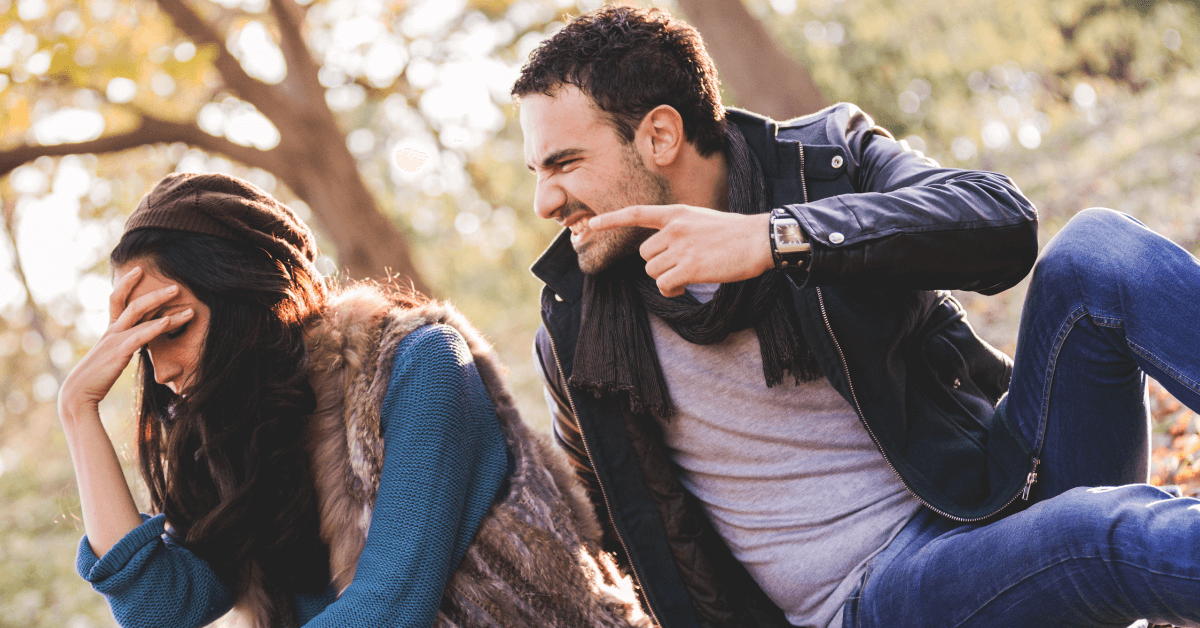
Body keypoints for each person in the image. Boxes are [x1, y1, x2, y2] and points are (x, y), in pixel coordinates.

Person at [513, 5, 1200, 628]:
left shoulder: (824, 163)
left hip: (990, 486)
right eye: (537, 172)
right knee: (1099, 532)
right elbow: (615, 542)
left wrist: (779, 239)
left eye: (565, 164)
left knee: (1099, 252)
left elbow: (1001, 225)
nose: (547, 201)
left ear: (660, 134)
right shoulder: (577, 334)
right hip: (879, 593)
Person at [58, 172, 647, 628]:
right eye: (139, 343)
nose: (160, 372)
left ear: (242, 299)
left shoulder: (420, 363)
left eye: (171, 327)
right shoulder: (239, 436)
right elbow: (159, 607)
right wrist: (77, 410)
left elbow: (388, 608)